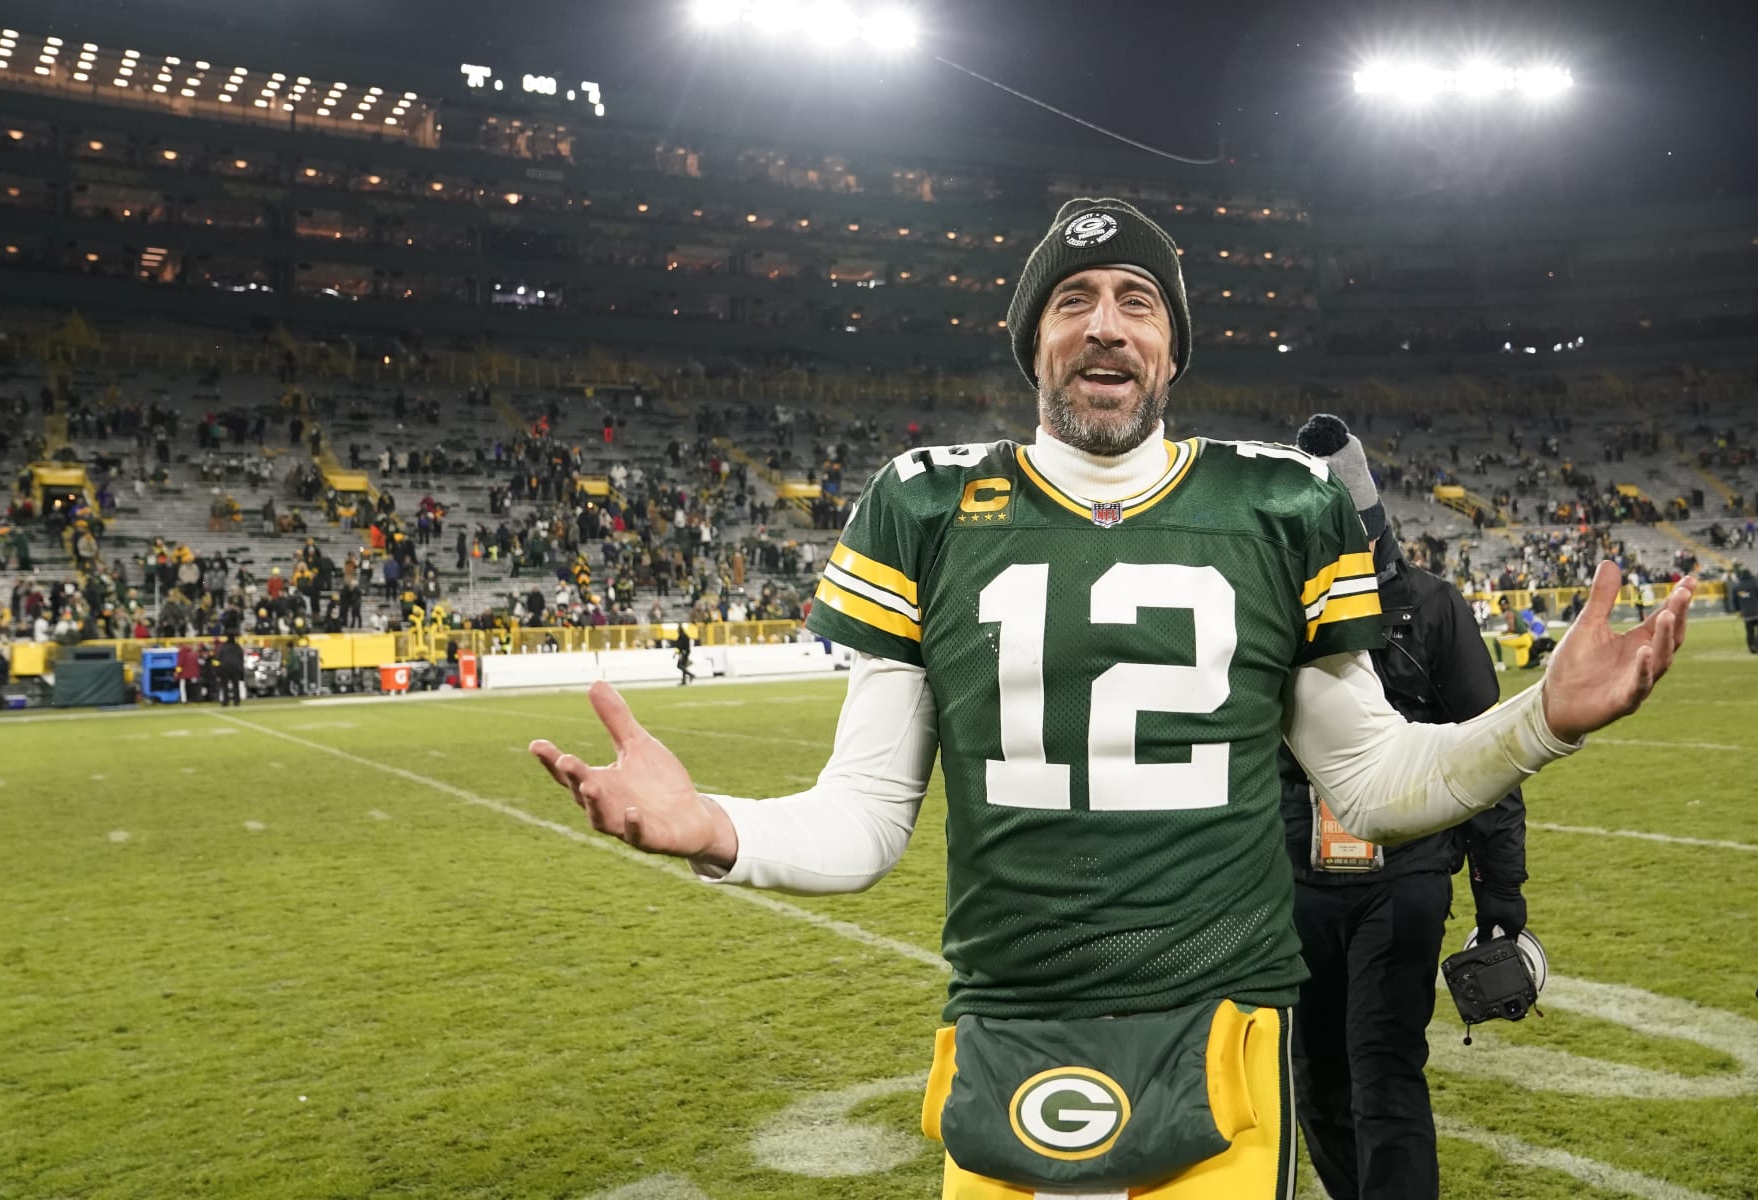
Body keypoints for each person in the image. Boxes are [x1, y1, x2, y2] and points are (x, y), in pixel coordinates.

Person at [529, 197, 1694, 1200]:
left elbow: (1370, 783)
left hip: (1225, 1020)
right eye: (1073, 297)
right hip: (1008, 1017)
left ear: (1172, 348)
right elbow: (868, 816)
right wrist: (718, 830)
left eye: (1138, 299)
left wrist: (1541, 718)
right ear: (1031, 339)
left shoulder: (1282, 504)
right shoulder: (925, 505)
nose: (1105, 323)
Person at [1280, 415, 1527, 1200]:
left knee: (1383, 1067)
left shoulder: (1434, 608)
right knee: (1316, 1073)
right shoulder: (1270, 609)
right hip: (1296, 880)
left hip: (1406, 873)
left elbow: (1489, 757)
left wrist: (1501, 898)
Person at [1734, 567, 1758, 654]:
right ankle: (1755, 644)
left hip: (1746, 613)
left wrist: (1738, 611)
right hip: (1757, 611)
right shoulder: (1755, 583)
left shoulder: (1737, 586)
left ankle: (1751, 648)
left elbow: (1735, 600)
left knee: (1749, 631)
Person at [218, 633, 244, 707]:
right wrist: (240, 668)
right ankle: (237, 701)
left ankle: (225, 701)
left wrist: (218, 668)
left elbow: (218, 657)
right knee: (236, 685)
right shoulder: (237, 647)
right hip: (235, 668)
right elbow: (241, 658)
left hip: (225, 668)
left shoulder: (223, 647)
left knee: (224, 685)